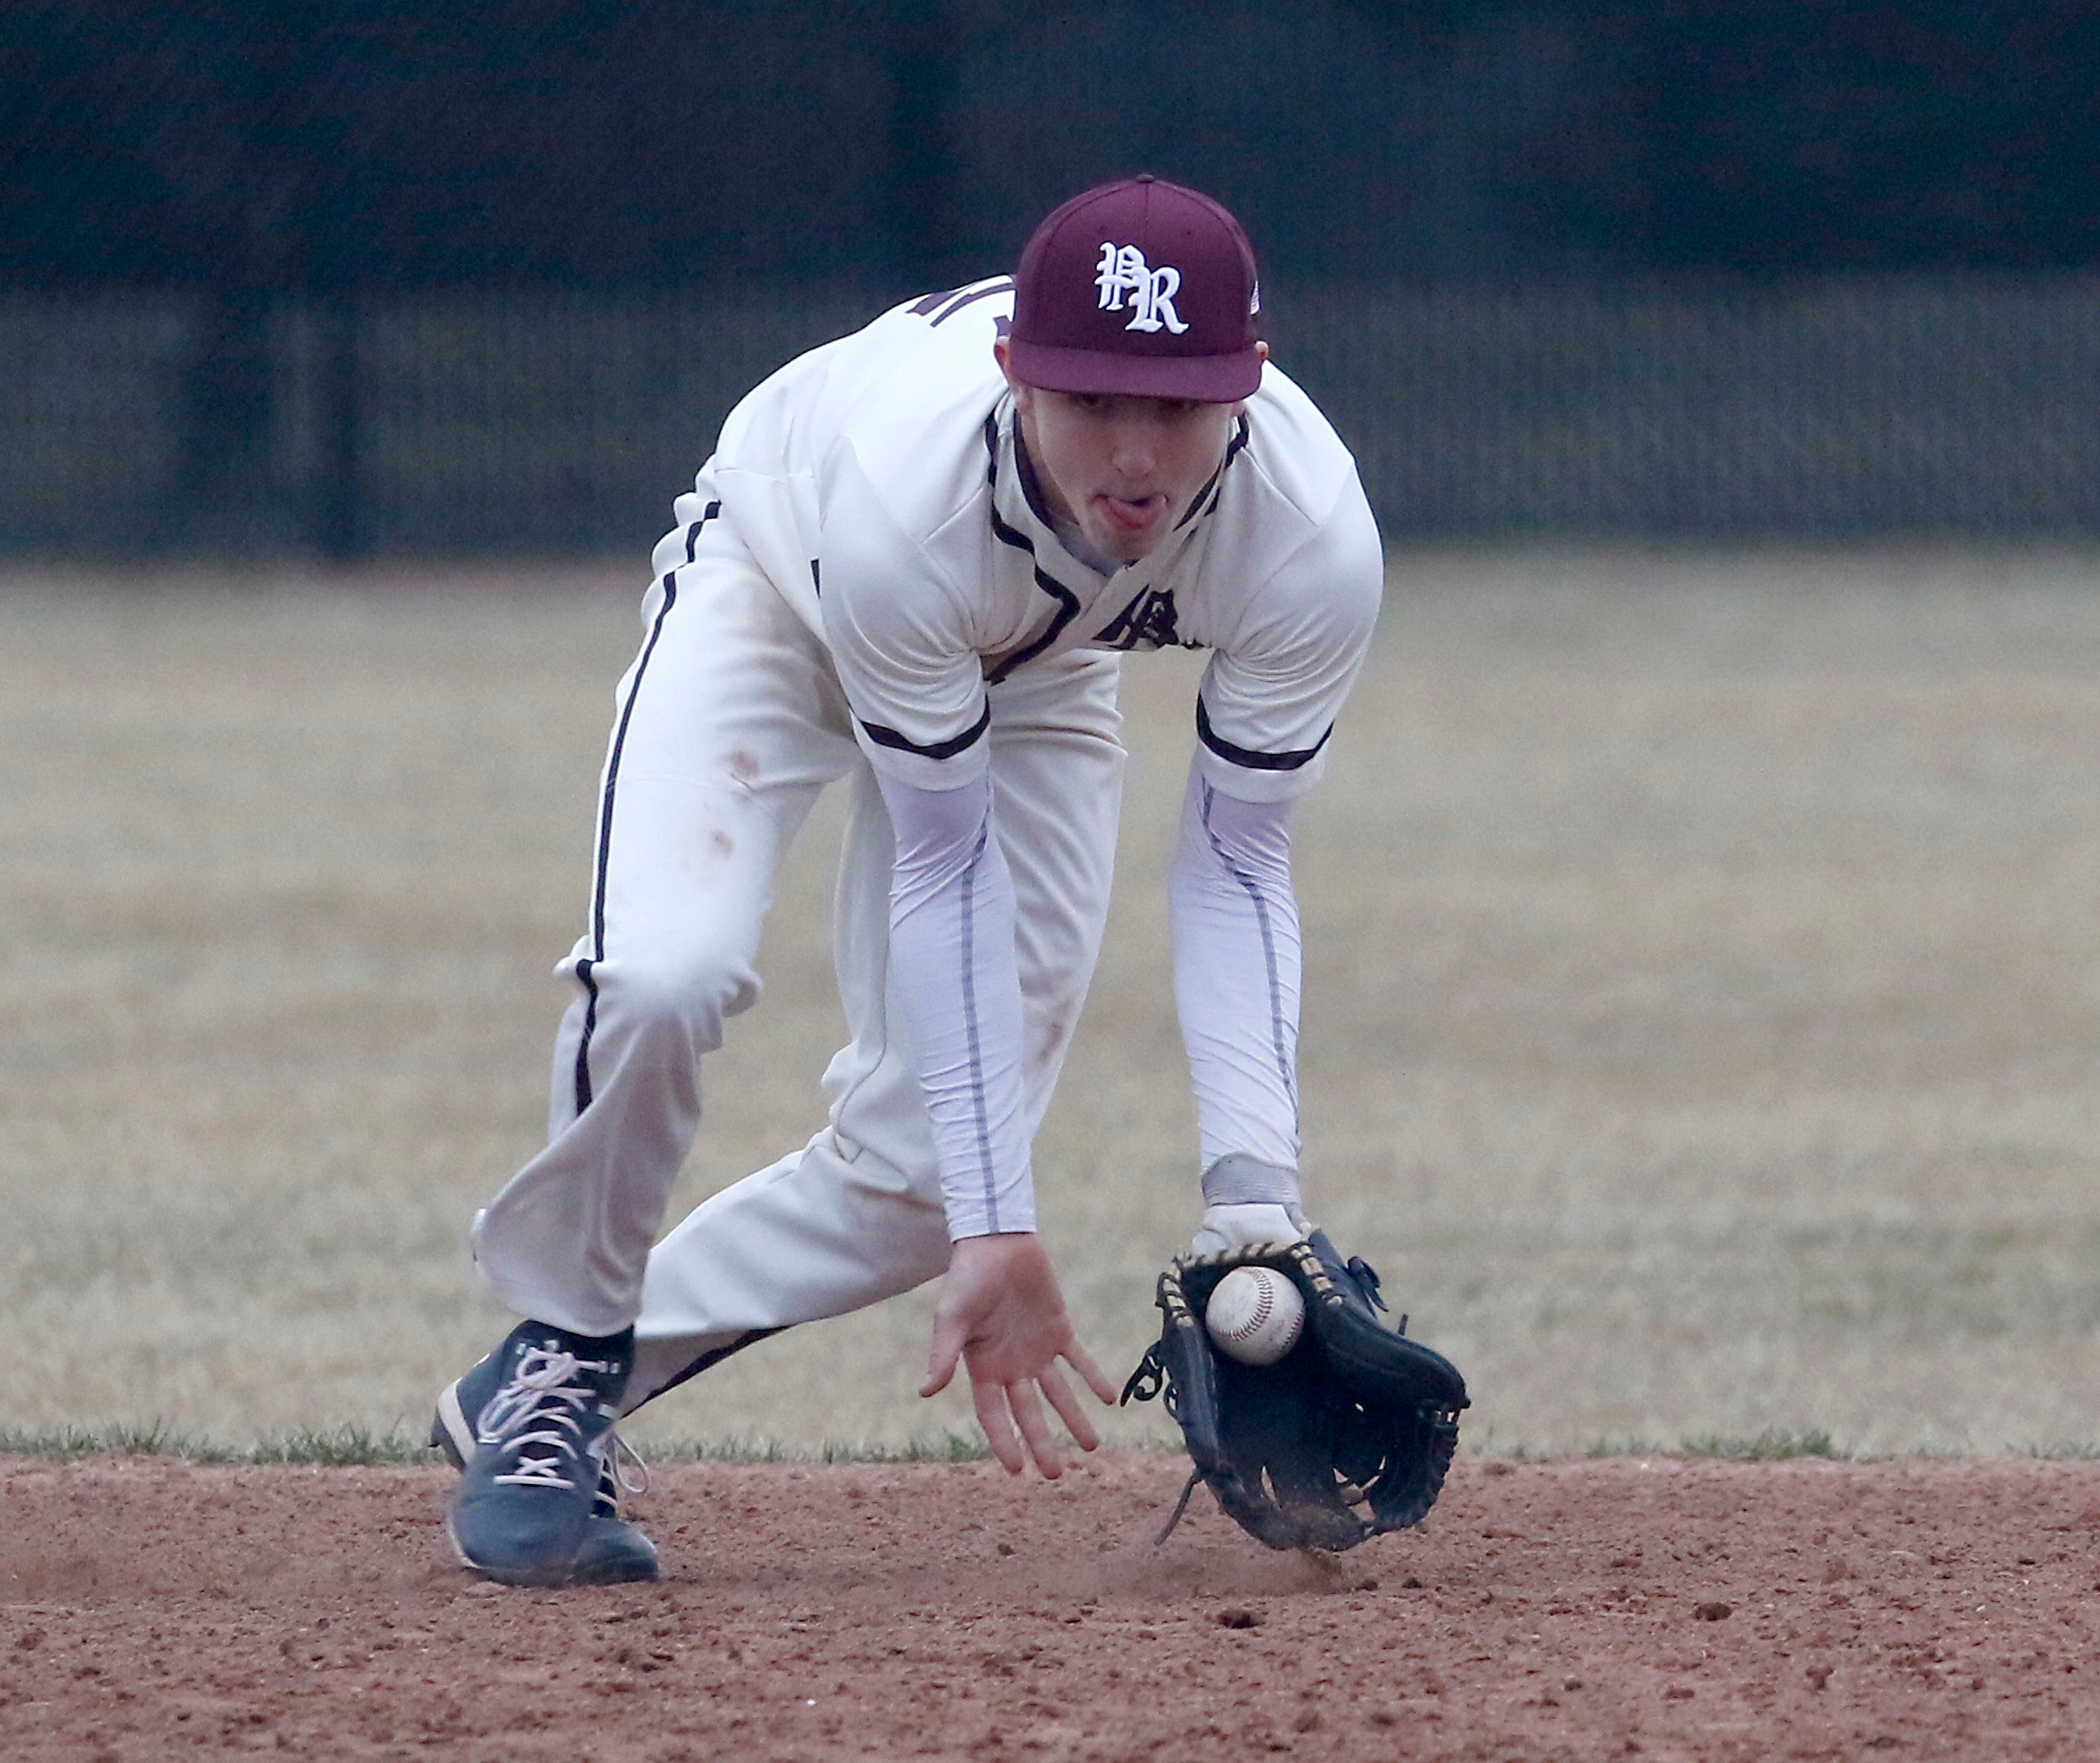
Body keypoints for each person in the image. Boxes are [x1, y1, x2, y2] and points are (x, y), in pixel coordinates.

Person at [432, 175, 1385, 1586]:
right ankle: (568, 1349)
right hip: (784, 586)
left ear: (1247, 389)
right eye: (1093, 400)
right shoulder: (909, 495)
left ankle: (531, 1380)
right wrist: (1004, 1229)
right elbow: (943, 862)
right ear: (1016, 374)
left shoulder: (1307, 534)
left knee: (919, 1182)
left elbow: (1239, 855)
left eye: (1178, 407)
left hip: (1034, 661)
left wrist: (1258, 1201)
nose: (1137, 453)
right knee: (665, 972)